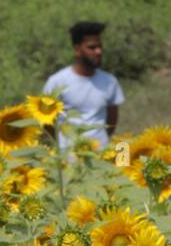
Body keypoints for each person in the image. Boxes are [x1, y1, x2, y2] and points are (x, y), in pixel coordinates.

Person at [43, 21, 124, 150]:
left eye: (100, 47)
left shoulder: (109, 82)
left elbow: (112, 120)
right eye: (92, 47)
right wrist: (59, 147)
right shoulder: (57, 82)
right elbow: (47, 122)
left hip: (100, 157)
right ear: (77, 50)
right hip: (68, 160)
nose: (98, 51)